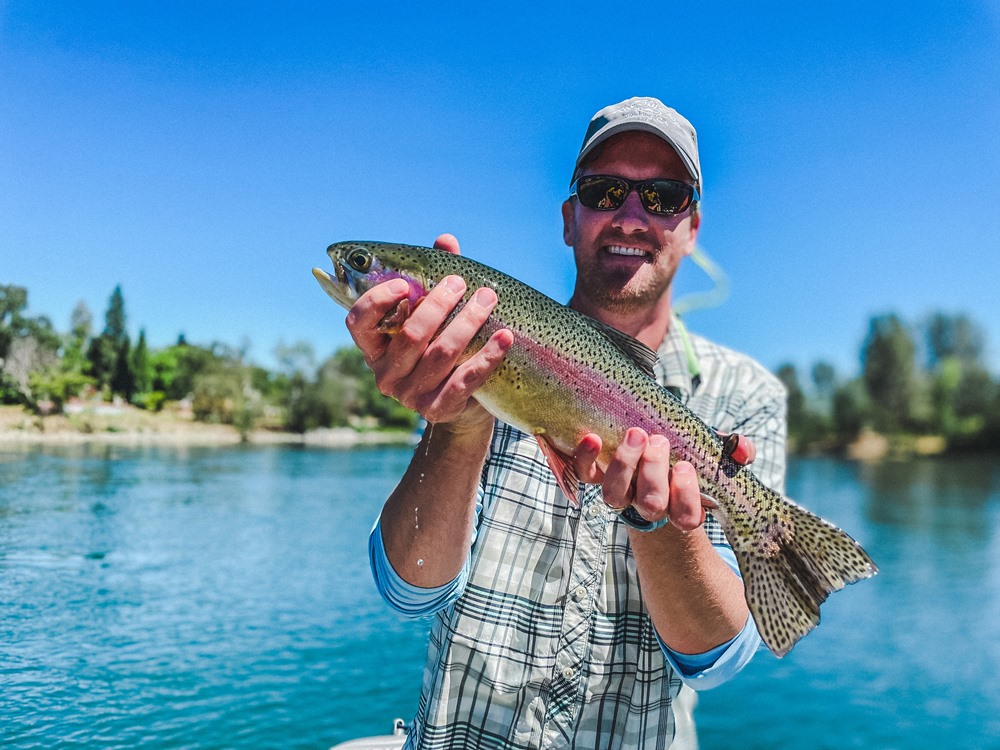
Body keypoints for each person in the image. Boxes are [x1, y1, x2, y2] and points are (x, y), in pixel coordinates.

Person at [345, 97, 787, 749]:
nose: (631, 215)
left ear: (691, 227)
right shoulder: (476, 346)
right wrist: (459, 425)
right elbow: (408, 592)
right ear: (568, 218)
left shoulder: (745, 393)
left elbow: (718, 659)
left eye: (662, 196)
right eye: (604, 190)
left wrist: (656, 517)